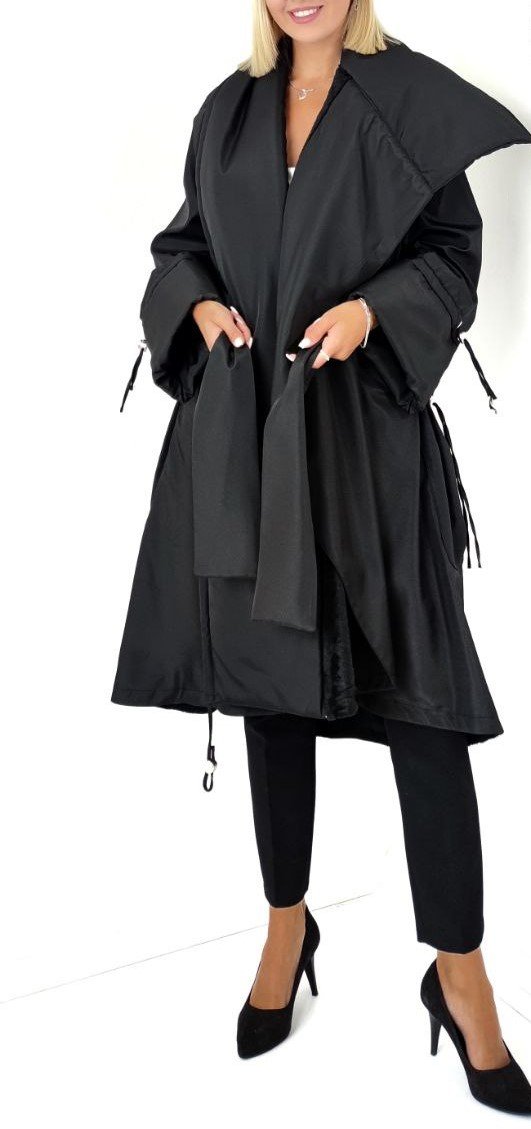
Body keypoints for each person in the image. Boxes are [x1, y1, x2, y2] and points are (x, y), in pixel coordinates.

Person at [111, 0, 531, 1109]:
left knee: (427, 710)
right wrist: (198, 305)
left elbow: (451, 255)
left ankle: (461, 973)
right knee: (271, 694)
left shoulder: (410, 101)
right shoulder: (229, 111)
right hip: (251, 446)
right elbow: (182, 248)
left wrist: (375, 312)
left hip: (369, 451)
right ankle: (286, 927)